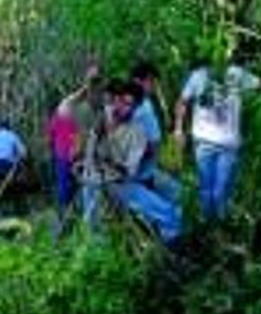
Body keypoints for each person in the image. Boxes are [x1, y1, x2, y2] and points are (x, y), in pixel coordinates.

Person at [173, 56, 261, 220]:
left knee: (221, 190)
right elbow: (182, 101)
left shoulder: (237, 74)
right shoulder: (198, 76)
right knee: (206, 189)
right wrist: (178, 129)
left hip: (228, 146)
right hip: (204, 143)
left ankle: (222, 223)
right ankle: (208, 225)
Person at [82, 81, 182, 245]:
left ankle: (172, 243)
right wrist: (92, 157)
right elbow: (89, 146)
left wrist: (109, 165)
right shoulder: (103, 116)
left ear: (136, 108)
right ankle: (95, 246)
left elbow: (128, 172)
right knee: (91, 202)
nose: (125, 108)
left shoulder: (137, 132)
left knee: (167, 212)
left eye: (131, 105)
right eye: (122, 102)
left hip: (122, 182)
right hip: (94, 179)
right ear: (116, 100)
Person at [130, 61, 181, 201]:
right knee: (178, 194)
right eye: (150, 81)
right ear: (137, 81)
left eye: (154, 81)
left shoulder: (130, 102)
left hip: (141, 171)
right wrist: (169, 164)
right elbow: (154, 145)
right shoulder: (143, 107)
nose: (153, 85)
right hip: (143, 175)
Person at [47, 84, 89, 219]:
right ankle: (70, 213)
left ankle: (66, 214)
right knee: (73, 183)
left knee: (65, 184)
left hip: (65, 155)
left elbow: (50, 139)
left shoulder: (59, 119)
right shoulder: (72, 119)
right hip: (73, 155)